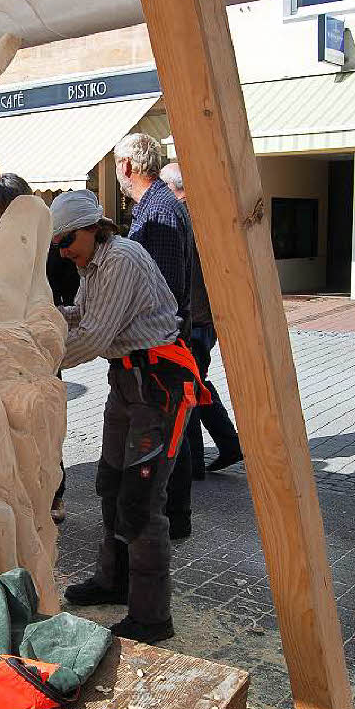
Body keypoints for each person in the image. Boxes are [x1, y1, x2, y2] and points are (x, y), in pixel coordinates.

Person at [52, 190, 206, 643]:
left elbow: (95, 335)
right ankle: (113, 579)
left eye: (66, 241)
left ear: (91, 227)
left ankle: (152, 616)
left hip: (158, 385)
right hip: (126, 382)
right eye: (57, 245)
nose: (63, 252)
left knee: (141, 501)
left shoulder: (121, 257)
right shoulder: (92, 264)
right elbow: (82, 314)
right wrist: (45, 319)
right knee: (111, 484)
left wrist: (38, 357)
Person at [114, 132, 195, 539]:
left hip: (159, 350)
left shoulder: (158, 210)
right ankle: (174, 516)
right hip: (159, 347)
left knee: (163, 442)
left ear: (126, 166)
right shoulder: (157, 204)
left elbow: (161, 289)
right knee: (171, 440)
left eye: (116, 167)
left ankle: (171, 519)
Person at [0, 173, 78, 524]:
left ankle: (47, 492)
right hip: (29, 346)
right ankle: (46, 492)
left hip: (30, 346)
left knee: (37, 419)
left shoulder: (40, 246)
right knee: (41, 420)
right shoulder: (46, 245)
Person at [160, 163, 243, 474]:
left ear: (172, 188)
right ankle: (228, 445)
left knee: (187, 388)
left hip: (195, 320)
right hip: (206, 319)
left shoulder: (182, 219)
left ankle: (194, 461)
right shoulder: (204, 217)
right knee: (196, 382)